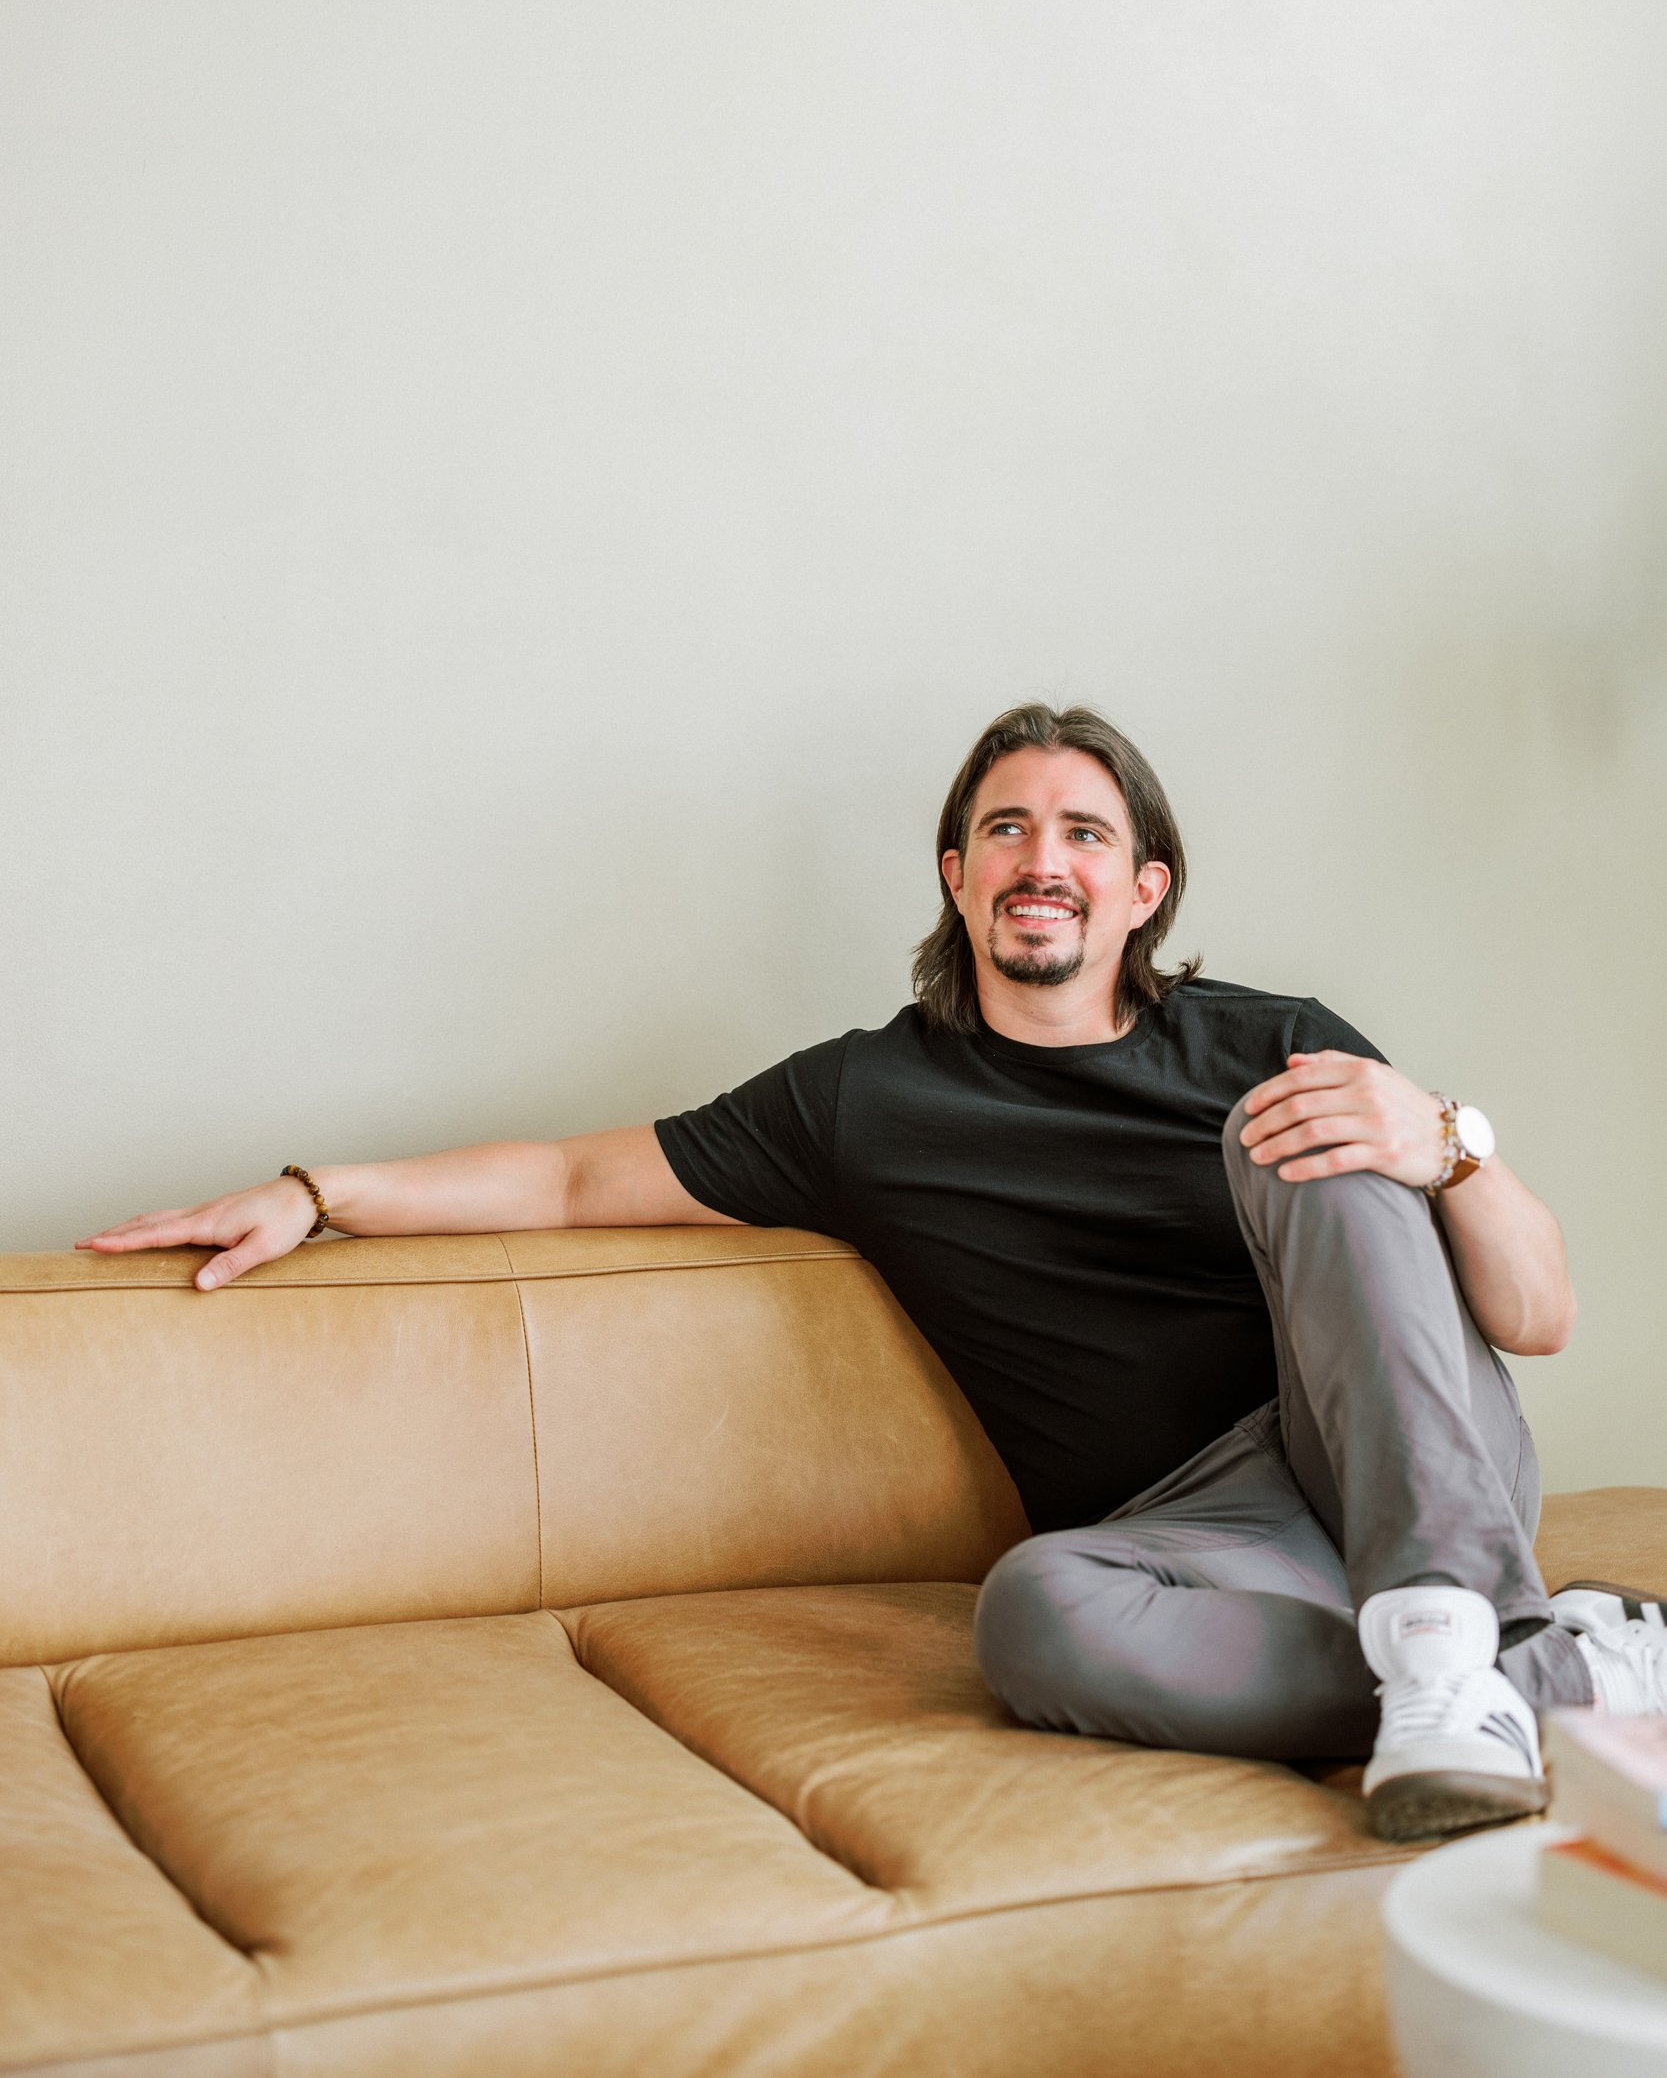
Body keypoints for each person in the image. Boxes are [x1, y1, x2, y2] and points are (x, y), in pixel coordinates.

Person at [78, 702, 1666, 1838]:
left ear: (1143, 890)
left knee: (1295, 1130)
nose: (1043, 857)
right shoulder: (865, 1101)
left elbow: (1532, 1316)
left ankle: (1456, 1635)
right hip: (1199, 1535)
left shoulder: (1275, 1043)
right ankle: (1556, 1665)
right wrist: (314, 1191)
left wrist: (1445, 1136)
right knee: (1036, 1614)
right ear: (960, 878)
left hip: (1392, 1443)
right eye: (1006, 830)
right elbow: (573, 1175)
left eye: (1084, 833)